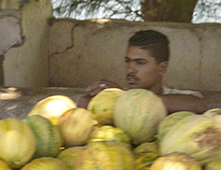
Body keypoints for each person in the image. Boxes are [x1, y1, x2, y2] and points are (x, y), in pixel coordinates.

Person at [79, 29, 207, 113]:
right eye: (128, 61)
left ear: (161, 68)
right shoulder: (119, 98)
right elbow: (84, 103)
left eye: (140, 63)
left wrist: (125, 99)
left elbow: (198, 105)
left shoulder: (179, 98)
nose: (130, 69)